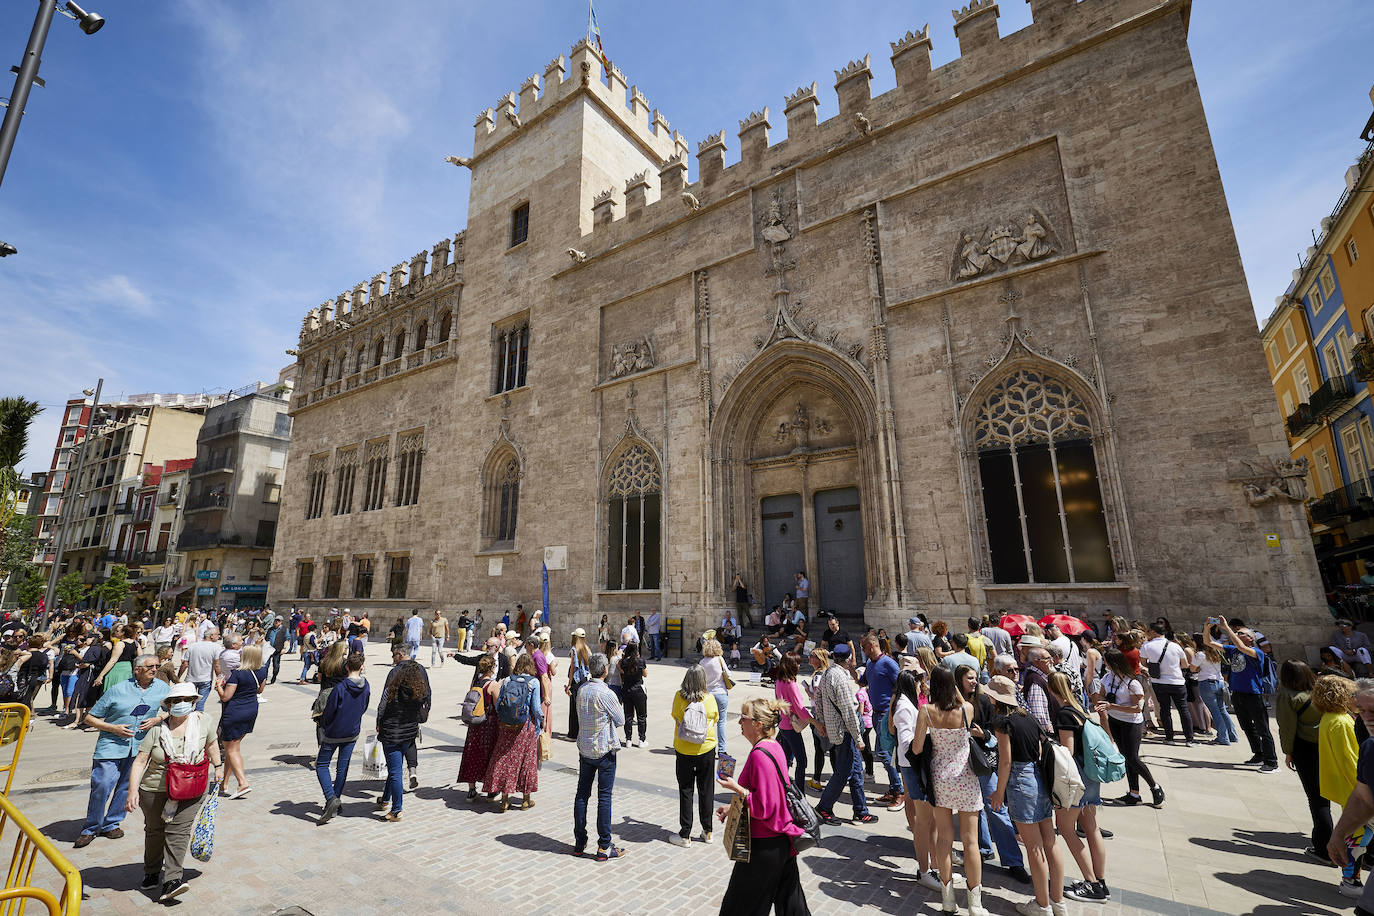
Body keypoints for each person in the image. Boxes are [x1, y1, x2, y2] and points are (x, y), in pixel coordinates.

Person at [124, 682, 222, 903]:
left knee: (178, 831)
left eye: (187, 700)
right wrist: (132, 792)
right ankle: (151, 871)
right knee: (155, 830)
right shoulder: (157, 730)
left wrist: (218, 767)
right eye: (176, 700)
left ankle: (172, 880)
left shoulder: (203, 721)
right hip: (155, 789)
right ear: (168, 705)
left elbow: (212, 744)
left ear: (194, 702)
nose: (182, 704)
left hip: (192, 787)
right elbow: (140, 762)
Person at [716, 697, 811, 915]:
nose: (739, 722)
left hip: (765, 845)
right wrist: (733, 808)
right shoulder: (773, 746)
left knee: (739, 908)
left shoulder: (760, 755)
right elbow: (771, 793)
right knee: (791, 906)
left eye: (743, 718)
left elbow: (765, 807)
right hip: (780, 842)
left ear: (758, 724)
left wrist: (736, 789)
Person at [986, 675, 1065, 916]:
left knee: (1034, 848)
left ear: (995, 698)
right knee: (1049, 843)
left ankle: (1042, 905)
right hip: (1039, 777)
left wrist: (999, 793)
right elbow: (1040, 749)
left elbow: (1006, 761)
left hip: (1021, 781)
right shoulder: (1028, 717)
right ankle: (1057, 901)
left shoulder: (1002, 722)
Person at [913, 665, 989, 915]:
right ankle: (975, 903)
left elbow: (916, 748)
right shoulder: (966, 709)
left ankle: (948, 899)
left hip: (940, 777)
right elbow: (960, 700)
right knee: (971, 842)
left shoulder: (926, 710)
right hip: (965, 776)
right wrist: (953, 689)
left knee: (944, 840)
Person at [75, 653, 169, 848]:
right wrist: (113, 728)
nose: (154, 669)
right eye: (150, 666)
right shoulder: (117, 690)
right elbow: (89, 718)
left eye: (157, 666)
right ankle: (91, 828)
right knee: (102, 784)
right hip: (111, 745)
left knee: (126, 786)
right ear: (137, 670)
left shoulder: (162, 688)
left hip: (139, 746)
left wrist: (157, 719)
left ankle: (112, 823)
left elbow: (174, 709)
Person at [959, 664, 1030, 885]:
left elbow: (996, 733)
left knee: (996, 809)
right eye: (969, 678)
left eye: (974, 677)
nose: (973, 681)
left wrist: (983, 734)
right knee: (972, 808)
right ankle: (983, 848)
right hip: (963, 761)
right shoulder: (957, 702)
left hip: (985, 761)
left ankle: (1014, 861)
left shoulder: (984, 701)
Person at [1049, 672, 1110, 902]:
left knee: (1065, 829)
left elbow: (1068, 752)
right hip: (1092, 776)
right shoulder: (1080, 709)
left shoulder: (1064, 714)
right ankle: (1100, 881)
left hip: (1077, 778)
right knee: (1092, 828)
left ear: (1052, 690)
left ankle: (1092, 884)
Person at [1312, 673, 1365, 896]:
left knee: (1356, 836)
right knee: (1358, 838)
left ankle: (1351, 879)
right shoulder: (1341, 722)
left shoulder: (1330, 718)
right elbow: (1350, 761)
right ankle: (1350, 881)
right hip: (1354, 790)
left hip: (1346, 789)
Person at [815, 644, 877, 825]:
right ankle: (824, 808)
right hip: (845, 732)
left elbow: (818, 700)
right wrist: (859, 738)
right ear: (849, 659)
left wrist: (822, 722)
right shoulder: (840, 678)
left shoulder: (827, 673)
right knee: (842, 772)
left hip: (837, 729)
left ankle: (860, 810)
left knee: (856, 771)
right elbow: (849, 711)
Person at [1092, 647, 1163, 808]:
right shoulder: (1107, 678)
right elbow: (1102, 694)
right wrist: (1103, 703)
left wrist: (1112, 706)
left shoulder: (1132, 683)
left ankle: (1155, 787)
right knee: (1126, 757)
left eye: (1106, 661)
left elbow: (1137, 708)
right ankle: (1134, 793)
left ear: (1114, 663)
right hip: (1115, 720)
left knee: (1133, 758)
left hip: (1131, 722)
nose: (1104, 663)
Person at [1205, 617, 1277, 771]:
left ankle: (1271, 761)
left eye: (1240, 633)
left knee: (1262, 728)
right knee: (1246, 726)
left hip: (1254, 694)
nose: (1237, 634)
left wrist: (1226, 627)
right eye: (1236, 632)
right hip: (1238, 693)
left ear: (1250, 638)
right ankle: (1258, 754)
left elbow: (1241, 647)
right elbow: (1209, 643)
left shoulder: (1256, 652)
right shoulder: (1233, 650)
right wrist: (1206, 628)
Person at [1327, 678, 1374, 914]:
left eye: (1373, 710)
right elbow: (1364, 798)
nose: (1367, 717)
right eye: (1361, 710)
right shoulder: (1370, 747)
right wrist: (1338, 833)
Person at [1277, 660, 1331, 863]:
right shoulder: (1320, 691)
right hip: (1327, 745)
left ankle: (1323, 849)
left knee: (1317, 799)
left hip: (1305, 748)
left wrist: (1288, 751)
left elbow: (1287, 727)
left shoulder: (1288, 695)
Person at [574, 652, 626, 860]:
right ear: (605, 670)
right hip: (604, 750)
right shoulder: (606, 693)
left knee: (582, 795)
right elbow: (621, 719)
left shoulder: (582, 689)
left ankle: (579, 841)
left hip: (585, 749)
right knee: (604, 797)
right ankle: (604, 845)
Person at [376, 647, 432, 820]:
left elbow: (381, 708)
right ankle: (385, 798)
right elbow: (428, 695)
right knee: (395, 767)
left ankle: (397, 809)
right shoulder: (418, 693)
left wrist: (379, 723)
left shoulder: (391, 689)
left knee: (394, 771)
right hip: (408, 732)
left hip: (392, 732)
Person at [316, 651, 370, 825]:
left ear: (346, 667)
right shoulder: (366, 685)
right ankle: (336, 800)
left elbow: (329, 711)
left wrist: (323, 723)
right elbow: (364, 706)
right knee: (342, 767)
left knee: (322, 765)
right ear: (361, 667)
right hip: (352, 731)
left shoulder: (340, 688)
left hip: (334, 732)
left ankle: (331, 798)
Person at [669, 664, 719, 846]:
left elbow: (676, 717)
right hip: (705, 748)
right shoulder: (709, 699)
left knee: (686, 790)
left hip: (683, 749)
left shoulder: (678, 697)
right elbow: (715, 719)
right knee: (706, 790)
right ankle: (708, 831)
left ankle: (685, 834)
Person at [486, 653, 541, 812]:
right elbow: (536, 709)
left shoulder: (509, 680)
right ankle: (525, 800)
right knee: (526, 761)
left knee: (505, 758)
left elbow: (499, 704)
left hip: (507, 726)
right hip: (524, 726)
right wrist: (540, 722)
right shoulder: (534, 682)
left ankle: (504, 800)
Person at [859, 633, 903, 808]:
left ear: (871, 646)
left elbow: (900, 685)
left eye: (863, 648)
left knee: (884, 752)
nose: (863, 651)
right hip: (876, 714)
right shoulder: (870, 663)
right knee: (885, 753)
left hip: (886, 714)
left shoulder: (889, 663)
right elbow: (863, 682)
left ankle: (899, 791)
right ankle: (894, 789)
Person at [216, 644, 266, 799]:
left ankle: (242, 782)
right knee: (234, 747)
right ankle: (224, 784)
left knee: (231, 749)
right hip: (251, 710)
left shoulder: (237, 674)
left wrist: (218, 686)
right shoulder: (263, 671)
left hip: (234, 712)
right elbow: (260, 690)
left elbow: (225, 697)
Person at [1140, 620, 1193, 745]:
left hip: (1159, 681)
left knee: (1164, 709)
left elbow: (1143, 663)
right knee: (1183, 710)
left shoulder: (1147, 646)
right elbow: (1185, 664)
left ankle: (1169, 737)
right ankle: (1189, 739)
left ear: (1153, 632)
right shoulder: (1175, 646)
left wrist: (1153, 666)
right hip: (1177, 681)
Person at [458, 654, 501, 801]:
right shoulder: (493, 685)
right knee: (489, 755)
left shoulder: (475, 683)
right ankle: (491, 790)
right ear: (492, 668)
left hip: (474, 725)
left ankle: (471, 789)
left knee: (473, 754)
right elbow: (497, 706)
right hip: (488, 725)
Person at [773, 654, 813, 788]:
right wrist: (815, 723)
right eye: (797, 663)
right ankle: (800, 793)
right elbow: (800, 708)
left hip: (783, 725)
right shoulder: (791, 684)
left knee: (785, 760)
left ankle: (779, 786)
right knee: (802, 761)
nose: (799, 666)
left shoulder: (779, 681)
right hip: (791, 727)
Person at [1194, 634, 1237, 745]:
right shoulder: (1215, 653)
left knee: (1215, 711)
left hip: (1206, 683)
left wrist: (1198, 668)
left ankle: (1223, 738)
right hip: (1219, 682)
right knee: (1222, 710)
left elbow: (1192, 668)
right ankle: (1232, 735)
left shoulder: (1200, 654)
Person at [702, 638, 731, 755]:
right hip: (721, 692)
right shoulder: (719, 659)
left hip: (708, 694)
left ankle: (707, 746)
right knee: (721, 722)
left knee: (707, 722)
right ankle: (722, 749)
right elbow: (728, 674)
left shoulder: (702, 662)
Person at [619, 642, 648, 747]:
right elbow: (645, 674)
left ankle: (628, 740)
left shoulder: (623, 662)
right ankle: (642, 740)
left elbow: (621, 672)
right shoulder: (640, 661)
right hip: (639, 690)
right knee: (642, 716)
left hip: (627, 690)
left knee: (628, 715)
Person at [566, 627, 592, 740]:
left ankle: (573, 734)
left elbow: (573, 668)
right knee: (583, 707)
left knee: (574, 707)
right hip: (584, 680)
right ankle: (583, 732)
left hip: (576, 681)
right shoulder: (586, 648)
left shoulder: (574, 649)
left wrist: (569, 684)